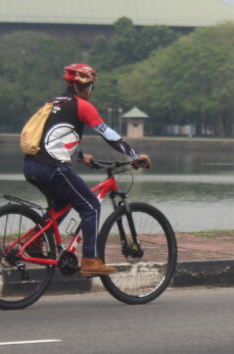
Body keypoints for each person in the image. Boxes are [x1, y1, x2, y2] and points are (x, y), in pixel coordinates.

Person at [24, 63, 151, 276]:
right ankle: (90, 260)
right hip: (53, 167)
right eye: (91, 87)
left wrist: (82, 157)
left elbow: (53, 137)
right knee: (91, 206)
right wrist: (136, 156)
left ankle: (36, 241)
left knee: (61, 203)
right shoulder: (81, 105)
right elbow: (108, 134)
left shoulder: (54, 102)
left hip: (31, 165)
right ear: (86, 86)